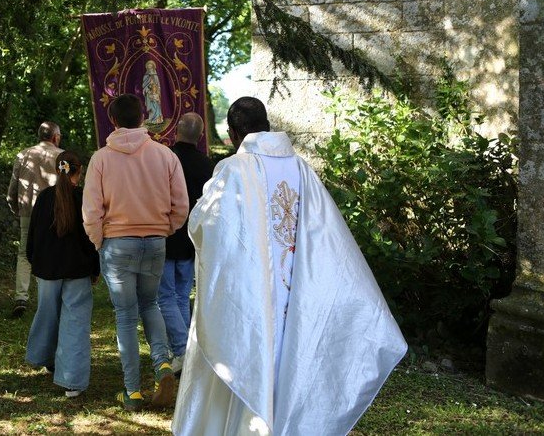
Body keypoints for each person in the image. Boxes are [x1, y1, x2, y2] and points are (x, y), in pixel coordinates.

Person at [172, 97, 407, 436]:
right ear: (265, 124)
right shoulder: (301, 168)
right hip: (296, 290)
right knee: (290, 359)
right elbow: (326, 234)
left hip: (253, 293)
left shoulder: (234, 169)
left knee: (248, 350)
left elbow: (206, 225)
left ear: (234, 133)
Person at [82, 93, 189, 411]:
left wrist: (99, 240)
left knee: (126, 317)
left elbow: (91, 210)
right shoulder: (165, 155)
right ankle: (163, 365)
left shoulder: (100, 158)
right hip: (155, 241)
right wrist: (165, 228)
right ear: (142, 117)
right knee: (151, 304)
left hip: (118, 243)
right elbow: (181, 204)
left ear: (112, 121)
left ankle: (132, 391)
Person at [25, 151, 100, 398]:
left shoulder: (44, 198)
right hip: (77, 270)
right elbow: (91, 239)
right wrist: (94, 268)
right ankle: (72, 380)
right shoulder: (83, 199)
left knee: (48, 314)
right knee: (75, 322)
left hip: (47, 270)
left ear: (58, 171)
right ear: (78, 172)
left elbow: (32, 238)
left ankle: (46, 357)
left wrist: (34, 260)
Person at [159, 112, 213, 374]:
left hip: (168, 235)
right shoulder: (207, 165)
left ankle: (182, 349)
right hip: (191, 240)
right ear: (200, 135)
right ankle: (181, 350)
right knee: (181, 296)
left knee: (166, 297)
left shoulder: (166, 159)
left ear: (175, 131)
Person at [6, 121, 63, 317]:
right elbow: (67, 186)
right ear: (55, 137)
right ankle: (50, 298)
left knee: (24, 253)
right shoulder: (61, 157)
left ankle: (21, 296)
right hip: (53, 212)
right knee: (53, 251)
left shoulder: (23, 155)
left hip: (28, 211)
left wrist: (14, 206)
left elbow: (14, 185)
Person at [142, 60, 164, 125]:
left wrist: (158, 92)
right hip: (149, 94)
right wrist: (147, 90)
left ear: (153, 68)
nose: (150, 69)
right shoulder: (146, 76)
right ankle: (152, 119)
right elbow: (144, 86)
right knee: (151, 108)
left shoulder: (155, 76)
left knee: (157, 106)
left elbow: (158, 85)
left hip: (155, 94)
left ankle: (158, 119)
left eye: (151, 68)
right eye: (148, 68)